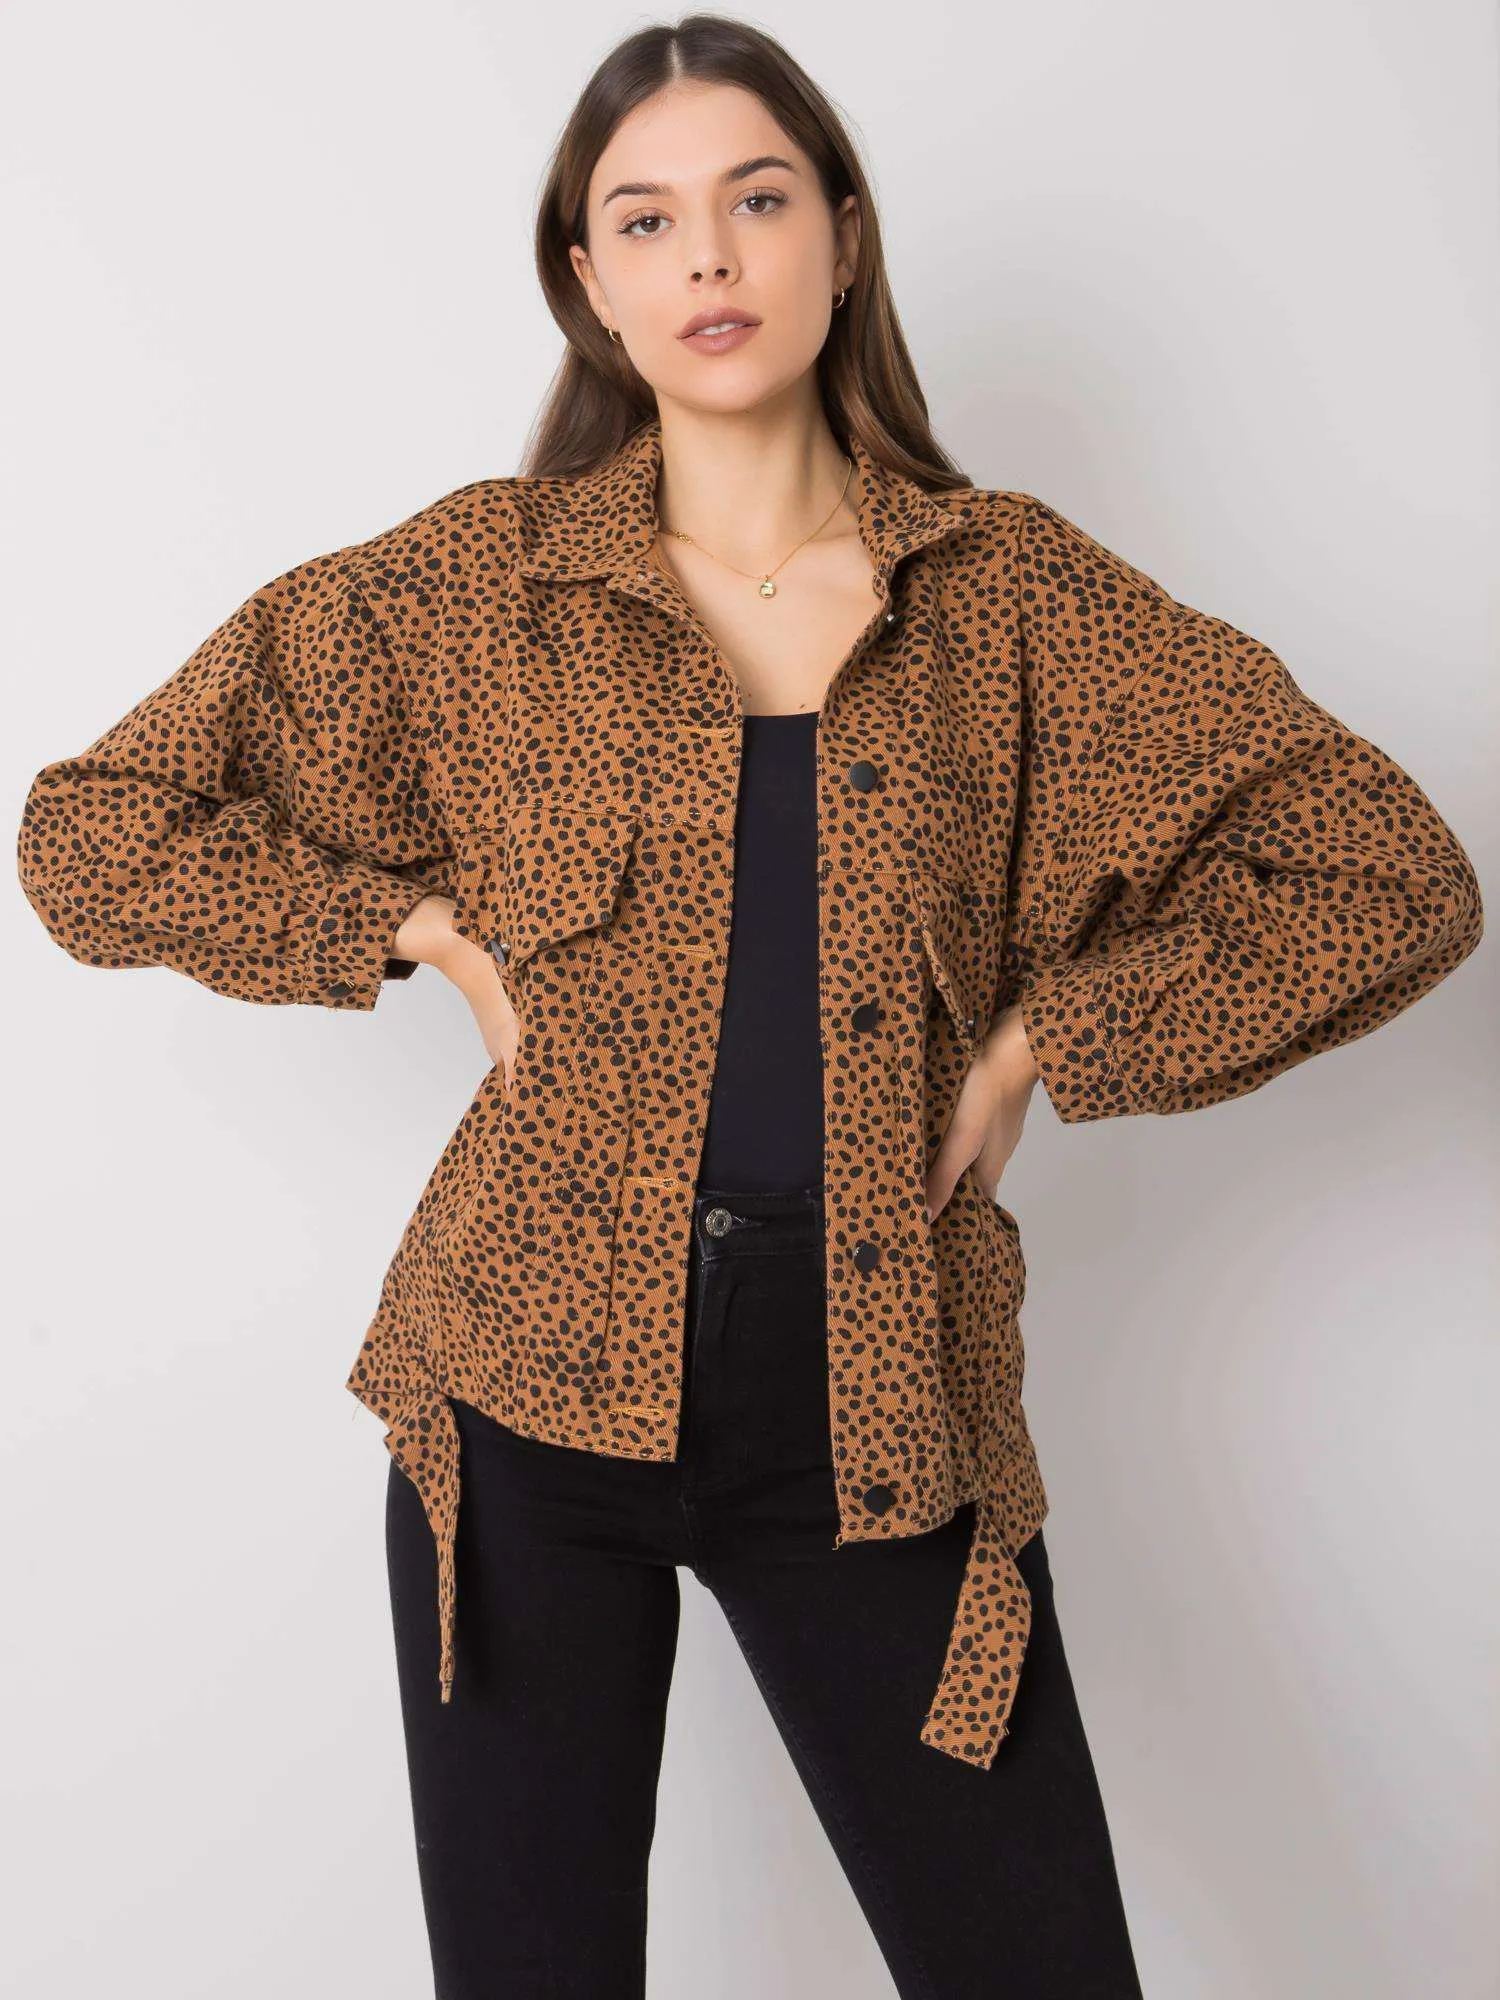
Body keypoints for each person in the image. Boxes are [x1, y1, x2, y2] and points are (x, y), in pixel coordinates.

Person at [15, 17, 1484, 2000]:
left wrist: (1052, 1040)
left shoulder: (1012, 601)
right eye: (647, 219)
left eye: (758, 199)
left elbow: (1388, 873)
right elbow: (92, 829)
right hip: (522, 1396)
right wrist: (417, 931)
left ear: (844, 240)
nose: (708, 256)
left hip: (875, 1404)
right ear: (590, 282)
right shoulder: (474, 594)